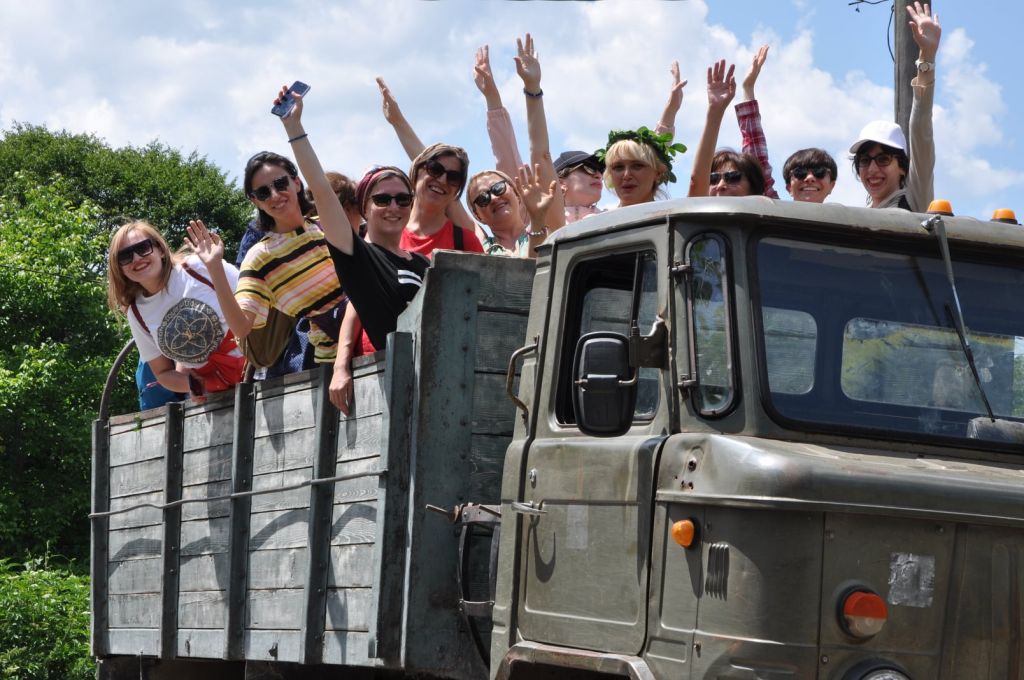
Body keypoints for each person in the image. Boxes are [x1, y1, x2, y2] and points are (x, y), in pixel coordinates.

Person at [188, 151, 347, 367]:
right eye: (263, 192)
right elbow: (241, 328)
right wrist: (214, 267)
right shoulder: (260, 257)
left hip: (368, 323)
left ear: (296, 183)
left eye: (280, 183)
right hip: (332, 355)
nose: (274, 195)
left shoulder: (326, 225)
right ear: (255, 201)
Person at [331, 166, 431, 412]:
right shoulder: (360, 255)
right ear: (364, 207)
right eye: (382, 199)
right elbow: (323, 195)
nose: (394, 207)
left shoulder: (425, 263)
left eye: (403, 199)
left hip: (431, 370)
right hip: (391, 376)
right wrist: (340, 366)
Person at [107, 221, 244, 398]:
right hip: (216, 398)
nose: (136, 258)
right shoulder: (137, 313)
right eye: (125, 256)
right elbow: (163, 373)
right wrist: (197, 386)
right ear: (119, 268)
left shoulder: (198, 268)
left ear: (160, 250)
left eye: (143, 248)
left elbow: (256, 302)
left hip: (260, 369)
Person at [376, 78, 485, 256]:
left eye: (453, 177)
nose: (442, 179)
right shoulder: (383, 233)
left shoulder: (466, 242)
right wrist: (397, 121)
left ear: (457, 191)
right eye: (435, 169)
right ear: (416, 172)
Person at [850, 1, 939, 211]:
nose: (872, 169)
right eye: (865, 160)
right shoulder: (856, 218)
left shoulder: (914, 201)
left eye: (883, 159)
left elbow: (921, 128)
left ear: (902, 167)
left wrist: (927, 56)